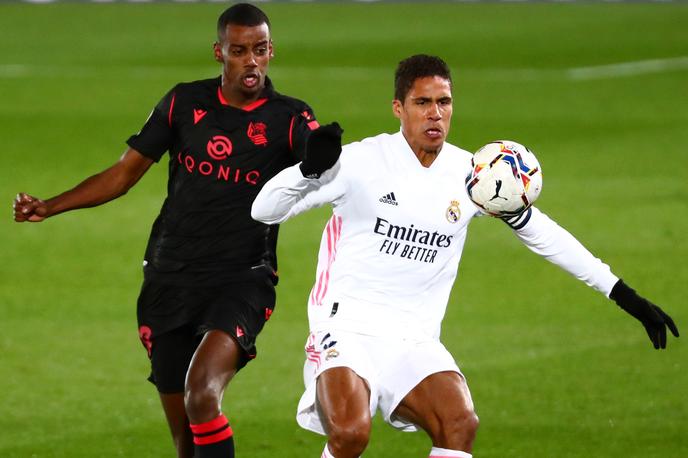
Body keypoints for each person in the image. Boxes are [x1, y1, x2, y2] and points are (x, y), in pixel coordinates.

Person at [251, 54, 679, 458]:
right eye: (422, 102)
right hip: (346, 326)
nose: (435, 113)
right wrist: (309, 172)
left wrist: (622, 294)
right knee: (349, 432)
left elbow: (545, 235)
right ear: (398, 107)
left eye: (443, 102)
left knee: (459, 423)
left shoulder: (475, 176)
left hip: (413, 337)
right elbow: (264, 210)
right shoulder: (360, 162)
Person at [12, 4, 333, 458]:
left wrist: (322, 154)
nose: (251, 62)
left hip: (242, 280)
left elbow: (317, 158)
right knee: (185, 438)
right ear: (218, 52)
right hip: (169, 277)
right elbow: (123, 175)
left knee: (202, 394)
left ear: (271, 51)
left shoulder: (290, 118)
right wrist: (51, 205)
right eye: (239, 51)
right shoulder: (184, 102)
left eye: (260, 50)